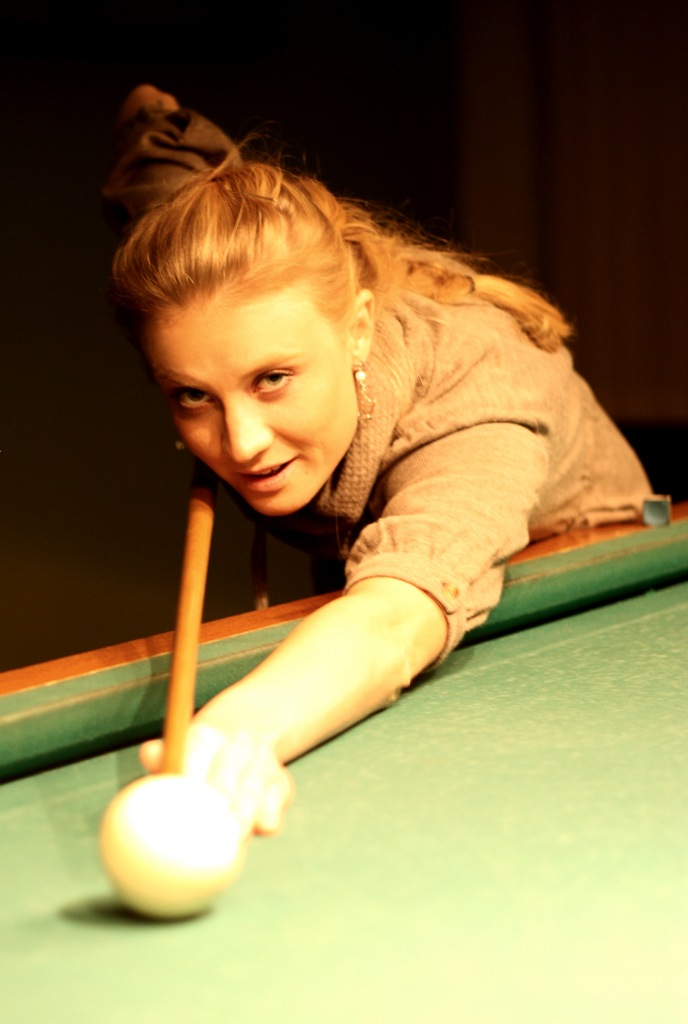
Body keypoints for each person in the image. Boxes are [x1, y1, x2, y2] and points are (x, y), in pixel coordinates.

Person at [102, 84, 651, 841]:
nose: (243, 442)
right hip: (364, 574)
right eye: (193, 395)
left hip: (600, 595)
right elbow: (171, 182)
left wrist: (237, 732)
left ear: (357, 329)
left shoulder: (478, 393)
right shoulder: (202, 270)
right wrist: (153, 125)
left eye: (272, 379)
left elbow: (393, 616)